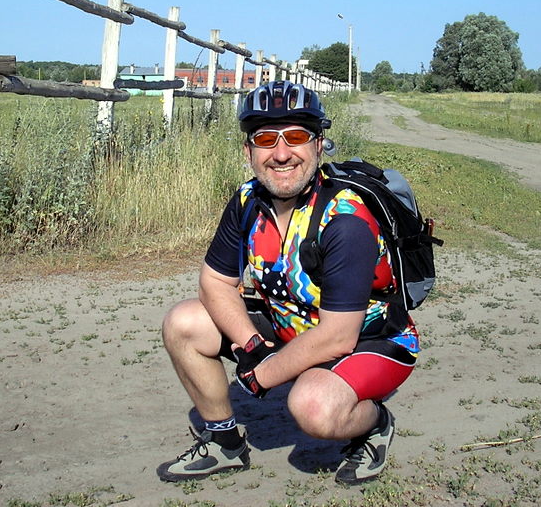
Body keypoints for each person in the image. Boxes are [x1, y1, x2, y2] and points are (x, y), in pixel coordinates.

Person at [157, 80, 420, 486]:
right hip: (291, 324)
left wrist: (262, 374)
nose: (281, 154)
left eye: (296, 136)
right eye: (266, 139)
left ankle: (374, 424)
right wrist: (252, 346)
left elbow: (337, 337)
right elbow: (214, 282)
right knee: (184, 323)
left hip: (368, 340)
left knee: (314, 406)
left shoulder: (345, 219)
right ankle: (224, 443)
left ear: (319, 145)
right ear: (248, 151)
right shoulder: (247, 201)